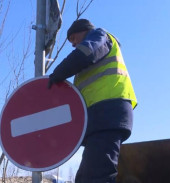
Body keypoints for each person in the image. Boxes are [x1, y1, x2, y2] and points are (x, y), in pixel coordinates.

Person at [48, 19, 137, 183]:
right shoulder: (87, 66)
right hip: (99, 120)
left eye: (74, 38)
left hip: (109, 114)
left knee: (97, 177)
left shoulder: (99, 36)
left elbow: (85, 53)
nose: (73, 45)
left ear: (84, 31)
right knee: (84, 178)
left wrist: (58, 73)